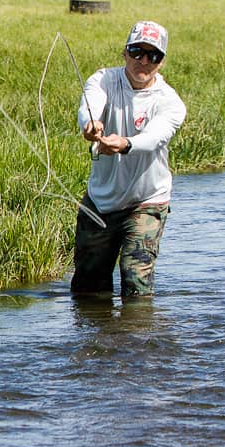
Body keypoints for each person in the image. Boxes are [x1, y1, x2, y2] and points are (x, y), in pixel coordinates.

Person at [73, 19, 186, 299]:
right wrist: (91, 125)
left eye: (153, 56)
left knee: (135, 280)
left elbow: (154, 138)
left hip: (147, 201)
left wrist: (125, 144)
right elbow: (89, 106)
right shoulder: (103, 79)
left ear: (161, 62)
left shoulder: (171, 103)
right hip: (100, 201)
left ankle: (137, 339)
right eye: (137, 52)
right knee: (87, 287)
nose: (143, 62)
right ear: (124, 52)